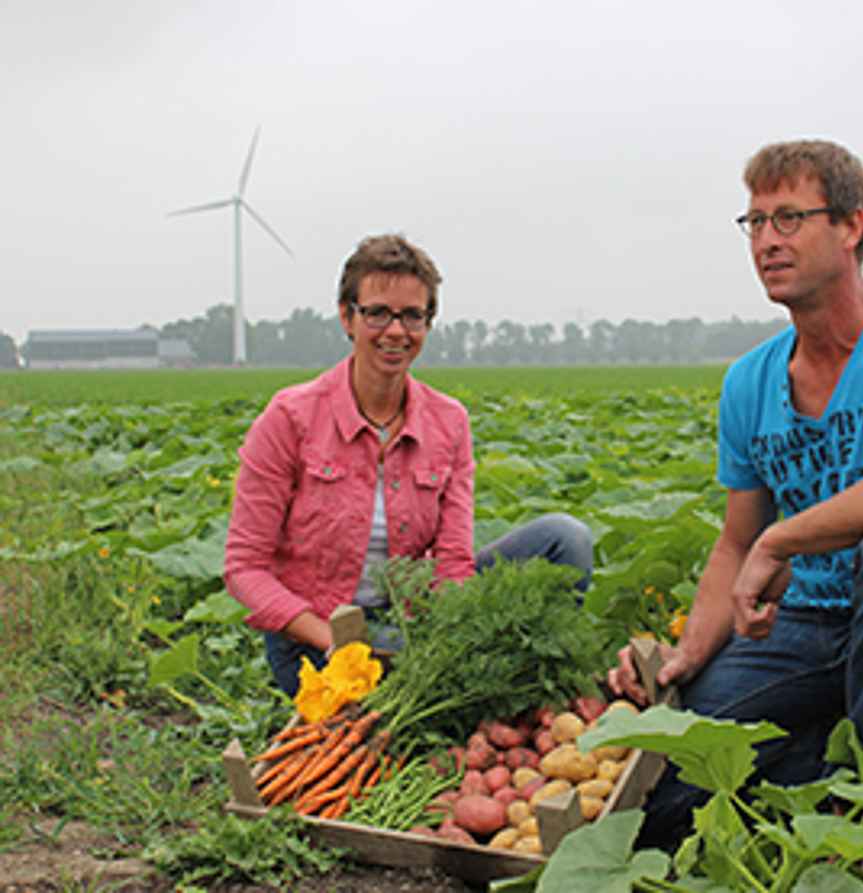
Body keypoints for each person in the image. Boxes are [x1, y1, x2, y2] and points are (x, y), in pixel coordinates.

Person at [607, 139, 863, 849]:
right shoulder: (750, 383)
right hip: (807, 632)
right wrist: (679, 663)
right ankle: (827, 755)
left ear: (852, 225)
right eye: (755, 223)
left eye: (789, 218)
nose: (767, 240)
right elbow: (736, 542)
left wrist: (787, 537)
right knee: (665, 792)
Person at [224, 234, 592, 696]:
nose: (395, 331)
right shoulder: (290, 418)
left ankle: (526, 682)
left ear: (427, 323)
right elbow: (244, 568)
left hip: (410, 626)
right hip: (316, 639)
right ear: (347, 316)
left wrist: (450, 636)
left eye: (412, 316)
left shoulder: (449, 421)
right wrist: (337, 641)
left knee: (565, 539)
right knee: (387, 728)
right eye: (377, 313)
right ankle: (474, 692)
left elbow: (453, 561)